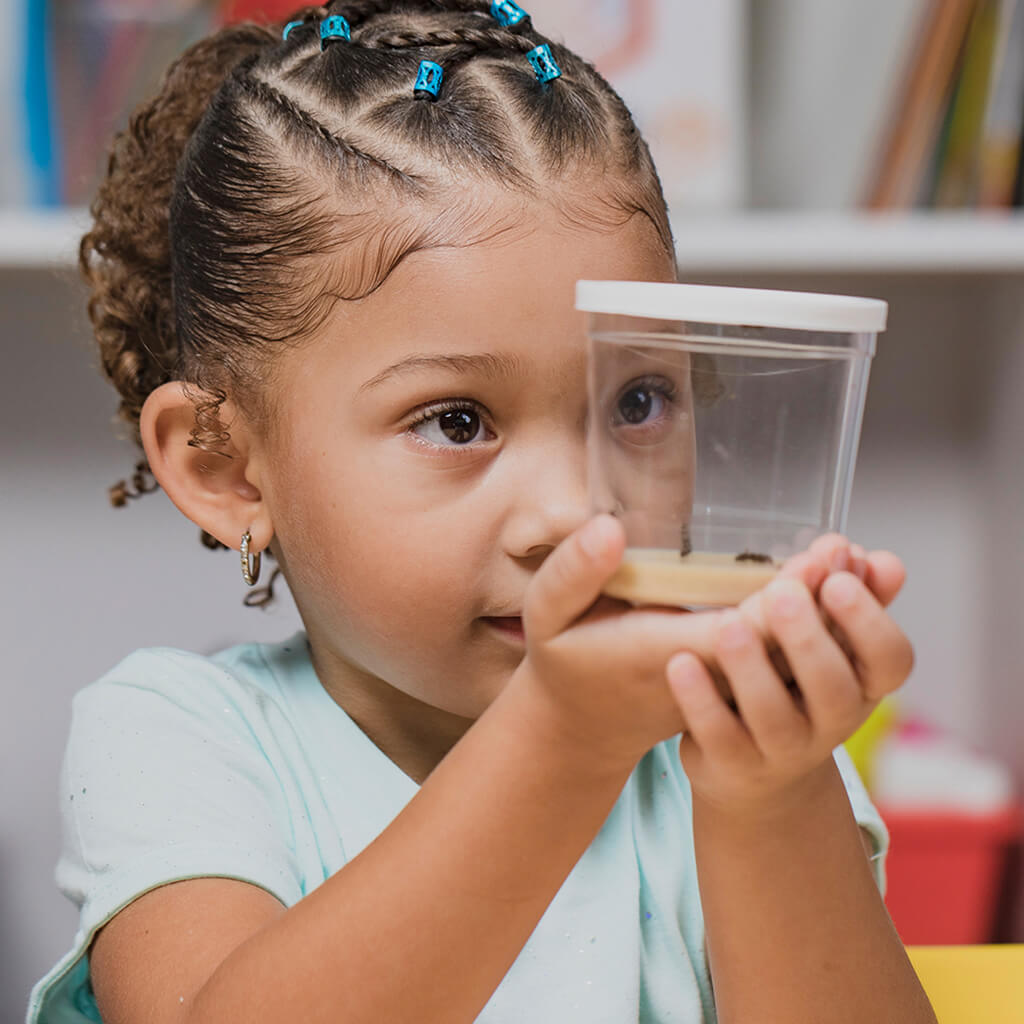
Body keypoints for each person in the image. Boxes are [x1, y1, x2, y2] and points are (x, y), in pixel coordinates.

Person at [28, 3, 937, 1022]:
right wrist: (562, 736)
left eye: (637, 402)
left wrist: (770, 799)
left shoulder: (733, 753)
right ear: (228, 467)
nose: (569, 513)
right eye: (456, 420)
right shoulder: (179, 736)